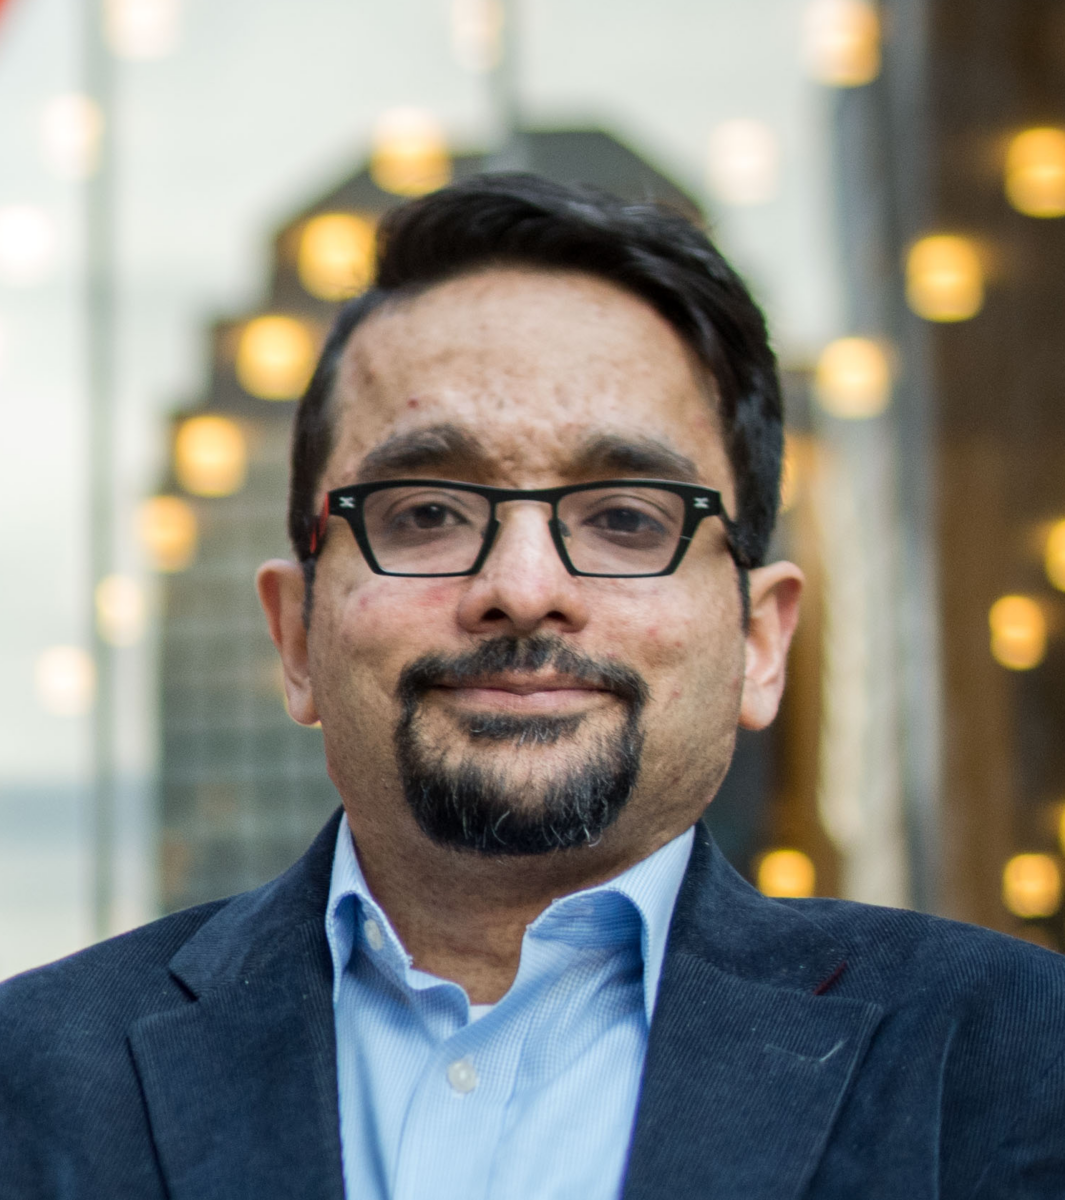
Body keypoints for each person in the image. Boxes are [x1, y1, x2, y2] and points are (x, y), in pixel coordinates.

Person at [2, 173, 1063, 1200]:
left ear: (759, 642)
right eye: (425, 513)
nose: (521, 589)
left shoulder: (1021, 1064)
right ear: (296, 634)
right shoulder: (29, 1086)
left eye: (627, 518)